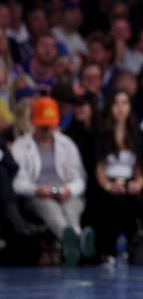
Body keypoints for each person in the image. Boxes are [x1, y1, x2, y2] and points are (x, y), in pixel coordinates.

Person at [11, 97, 94, 266]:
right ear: (33, 122)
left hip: (65, 192)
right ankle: (75, 238)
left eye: (50, 125)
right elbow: (17, 182)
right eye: (42, 126)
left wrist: (69, 190)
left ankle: (72, 242)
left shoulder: (67, 144)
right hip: (38, 195)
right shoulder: (20, 146)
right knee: (50, 208)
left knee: (71, 208)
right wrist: (36, 190)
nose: (47, 130)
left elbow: (79, 178)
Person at [89, 90, 143, 263]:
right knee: (114, 201)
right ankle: (108, 248)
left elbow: (140, 168)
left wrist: (138, 183)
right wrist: (109, 186)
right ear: (110, 107)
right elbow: (99, 168)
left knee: (137, 200)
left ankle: (136, 246)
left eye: (124, 103)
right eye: (116, 103)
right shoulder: (100, 134)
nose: (120, 108)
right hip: (106, 183)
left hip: (130, 182)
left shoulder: (138, 135)